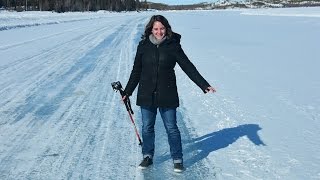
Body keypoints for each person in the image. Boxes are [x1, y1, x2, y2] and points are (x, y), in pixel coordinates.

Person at [123, 15, 216, 173]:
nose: (159, 32)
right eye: (156, 29)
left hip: (167, 92)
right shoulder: (143, 45)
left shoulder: (173, 45)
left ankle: (178, 158)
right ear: (150, 30)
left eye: (162, 28)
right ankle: (147, 156)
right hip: (146, 92)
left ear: (166, 29)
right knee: (147, 128)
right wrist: (128, 91)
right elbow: (136, 71)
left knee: (172, 128)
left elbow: (188, 66)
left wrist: (203, 84)